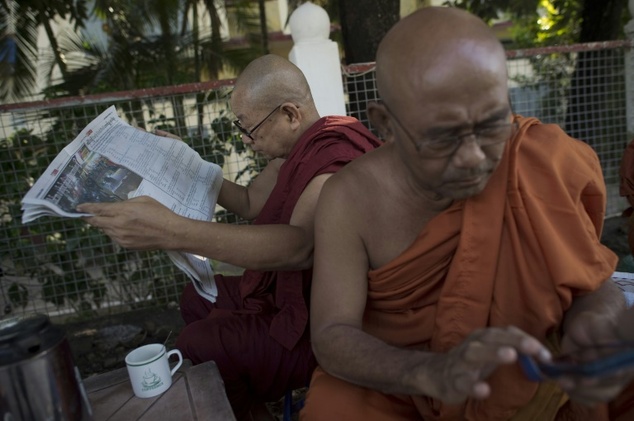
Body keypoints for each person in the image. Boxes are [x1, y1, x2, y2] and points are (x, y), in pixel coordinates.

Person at [302, 7, 634, 420]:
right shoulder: (349, 199)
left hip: (528, 369)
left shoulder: (536, 160)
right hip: (401, 382)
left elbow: (588, 281)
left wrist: (593, 326)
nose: (474, 158)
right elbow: (333, 334)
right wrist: (430, 371)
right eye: (443, 138)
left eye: (493, 126)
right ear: (384, 124)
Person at [77, 54, 381, 420]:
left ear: (290, 114)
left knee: (199, 342)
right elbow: (251, 202)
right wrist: (187, 166)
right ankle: (251, 406)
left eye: (251, 128)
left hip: (318, 322)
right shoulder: (290, 153)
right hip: (283, 295)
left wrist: (172, 231)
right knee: (196, 299)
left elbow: (299, 248)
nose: (247, 140)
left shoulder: (330, 161)